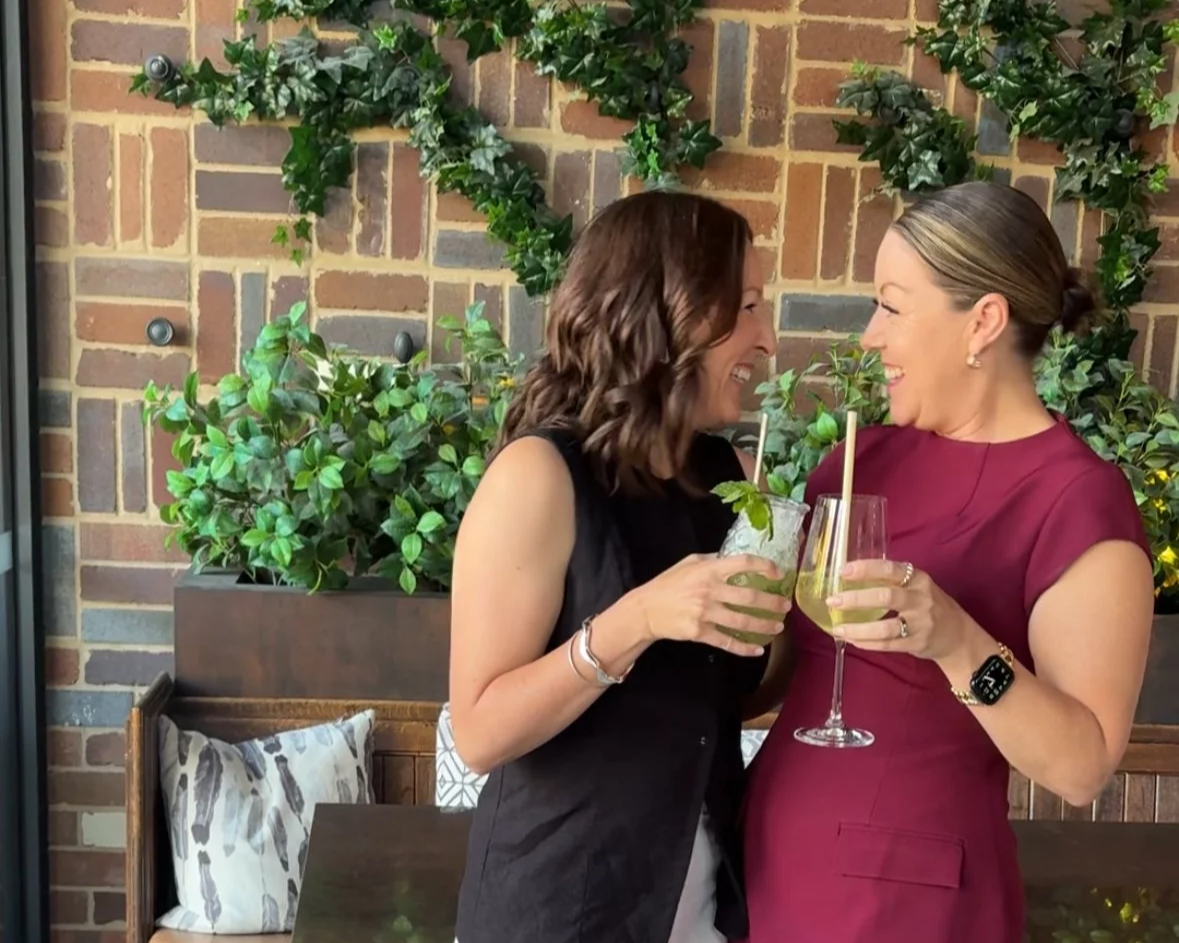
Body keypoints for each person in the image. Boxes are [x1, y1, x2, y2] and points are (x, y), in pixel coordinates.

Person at [739, 180, 1155, 943]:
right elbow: (796, 675)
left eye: (891, 307)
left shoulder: (1074, 498)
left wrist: (957, 641)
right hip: (766, 864)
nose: (869, 336)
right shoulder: (857, 463)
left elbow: (1080, 765)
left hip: (907, 907)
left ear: (982, 321)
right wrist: (744, 610)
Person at [448, 190, 790, 943]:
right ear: (668, 313)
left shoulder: (733, 478)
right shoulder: (539, 475)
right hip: (559, 910)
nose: (767, 339)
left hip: (701, 907)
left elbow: (731, 695)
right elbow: (479, 731)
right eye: (746, 307)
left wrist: (804, 625)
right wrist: (637, 619)